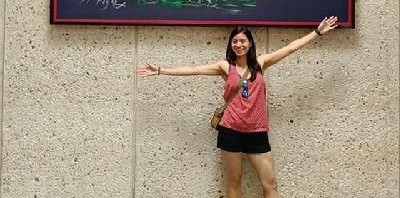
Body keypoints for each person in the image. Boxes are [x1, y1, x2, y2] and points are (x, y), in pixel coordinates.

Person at [137, 16, 338, 198]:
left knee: (270, 185)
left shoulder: (261, 63)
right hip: (230, 131)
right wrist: (161, 70)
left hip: (257, 132)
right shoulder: (225, 67)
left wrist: (317, 32)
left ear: (250, 44)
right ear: (230, 45)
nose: (238, 44)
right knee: (234, 182)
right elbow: (192, 70)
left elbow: (289, 48)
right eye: (235, 41)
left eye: (242, 41)